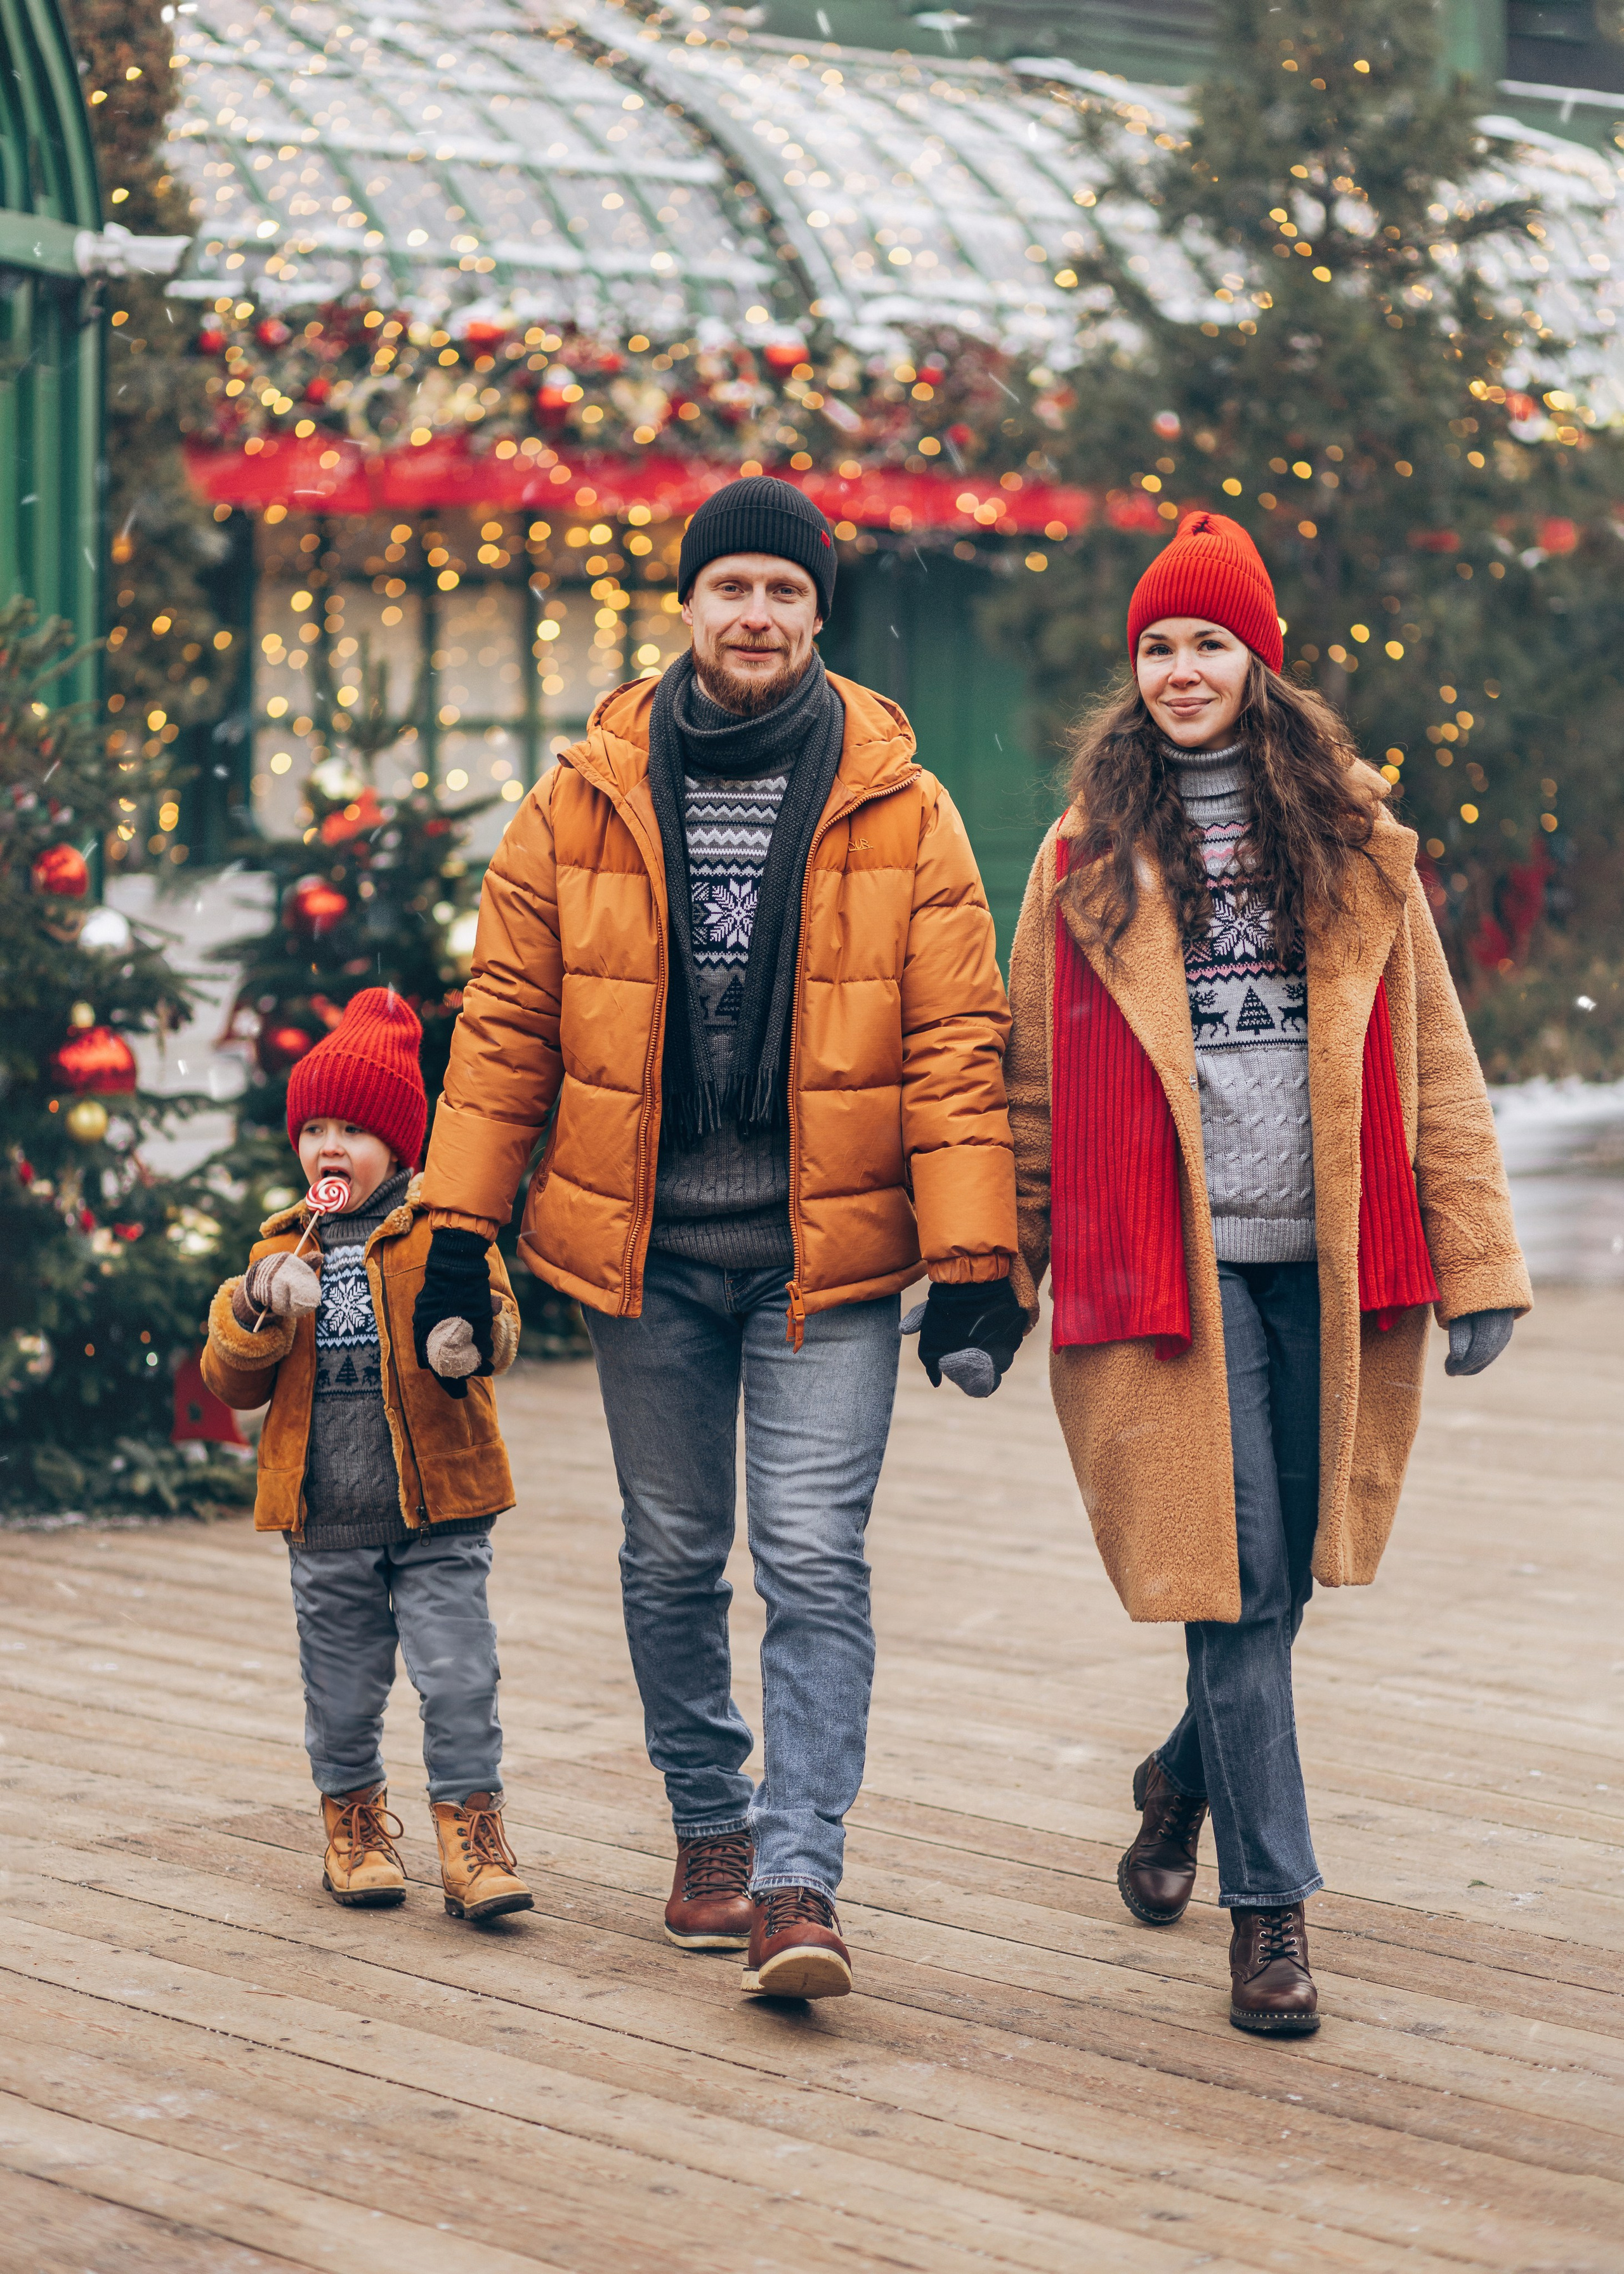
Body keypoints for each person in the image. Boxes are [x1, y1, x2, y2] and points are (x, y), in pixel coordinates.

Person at [420, 476, 1023, 1999]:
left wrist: (970, 1259)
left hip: (832, 1262)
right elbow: (505, 1029)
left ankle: (796, 1870)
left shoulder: (906, 801)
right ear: (686, 605)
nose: (755, 614)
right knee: (674, 1554)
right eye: (731, 586)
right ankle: (708, 1823)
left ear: (820, 615)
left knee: (814, 1554)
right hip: (650, 1255)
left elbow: (956, 1042)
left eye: (784, 592)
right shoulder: (583, 795)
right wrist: (451, 1230)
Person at [1004, 512, 1531, 2035]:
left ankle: (1178, 1775)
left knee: (1279, 1568)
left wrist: (1476, 1261)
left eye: (1206, 642)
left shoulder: (1357, 846)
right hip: (1160, 1265)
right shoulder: (1083, 856)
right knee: (1229, 1585)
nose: (1178, 669)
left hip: (1329, 1260)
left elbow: (1431, 1060)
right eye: (1156, 645)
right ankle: (1270, 1910)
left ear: (1259, 662)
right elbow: (1029, 1080)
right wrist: (997, 1272)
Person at [202, 988, 535, 1925]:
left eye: (353, 1127)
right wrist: (258, 1309)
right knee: (342, 1690)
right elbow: (230, 1379)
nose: (329, 1147)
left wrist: (472, 1338)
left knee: (461, 1676)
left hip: (438, 1511)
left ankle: (473, 1840)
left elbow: (499, 1319)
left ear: (400, 1143)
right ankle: (353, 1828)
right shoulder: (278, 1246)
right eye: (314, 1128)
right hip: (327, 1518)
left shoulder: (442, 1227)